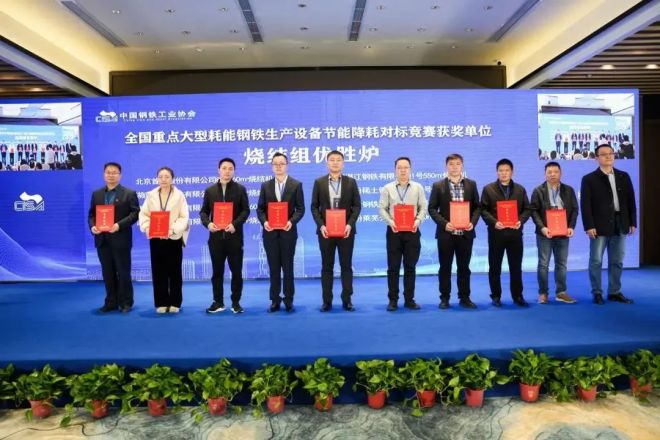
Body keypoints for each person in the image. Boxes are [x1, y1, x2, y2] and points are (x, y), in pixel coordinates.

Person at [580, 143, 637, 305]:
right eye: (604, 154)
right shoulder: (589, 179)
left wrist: (632, 221)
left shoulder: (623, 176)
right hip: (599, 225)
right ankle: (597, 292)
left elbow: (631, 201)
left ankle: (614, 291)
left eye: (611, 153)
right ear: (596, 158)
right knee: (596, 261)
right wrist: (589, 226)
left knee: (617, 260)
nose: (608, 156)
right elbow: (585, 205)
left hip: (621, 223)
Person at [311, 150, 362, 312]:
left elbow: (357, 206)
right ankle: (327, 301)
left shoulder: (351, 182)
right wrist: (321, 225)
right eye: (332, 160)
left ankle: (347, 300)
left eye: (338, 160)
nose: (335, 162)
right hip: (326, 232)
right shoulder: (319, 182)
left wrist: (349, 225)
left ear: (343, 163)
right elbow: (314, 207)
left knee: (346, 266)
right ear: (327, 163)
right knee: (327, 266)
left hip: (346, 231)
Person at [428, 153, 480, 309]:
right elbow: (432, 208)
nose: (454, 167)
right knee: (445, 267)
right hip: (446, 234)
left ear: (462, 165)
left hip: (465, 234)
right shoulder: (438, 185)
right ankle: (444, 298)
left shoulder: (471, 184)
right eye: (451, 164)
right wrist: (444, 224)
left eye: (457, 164)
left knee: (464, 267)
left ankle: (464, 297)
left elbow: (477, 207)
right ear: (446, 166)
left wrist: (472, 223)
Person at [88, 162, 140, 313]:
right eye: (108, 172)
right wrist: (93, 226)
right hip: (102, 240)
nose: (111, 175)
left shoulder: (129, 193)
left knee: (123, 272)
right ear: (104, 174)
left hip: (121, 239)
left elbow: (135, 214)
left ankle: (126, 302)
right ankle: (111, 301)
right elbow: (91, 215)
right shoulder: (97, 194)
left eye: (114, 172)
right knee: (108, 272)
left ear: (120, 175)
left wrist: (118, 225)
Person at [256, 153, 305, 313]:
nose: (278, 166)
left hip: (288, 233)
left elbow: (300, 209)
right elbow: (260, 209)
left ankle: (289, 299)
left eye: (281, 163)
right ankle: (275, 300)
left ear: (287, 165)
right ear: (272, 166)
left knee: (288, 267)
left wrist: (291, 221)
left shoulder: (296, 184)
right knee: (274, 267)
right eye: (275, 164)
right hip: (270, 233)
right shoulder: (266, 185)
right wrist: (265, 222)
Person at [200, 158, 250, 314]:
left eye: (230, 168)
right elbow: (203, 212)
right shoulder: (210, 191)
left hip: (234, 238)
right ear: (218, 170)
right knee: (217, 272)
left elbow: (246, 211)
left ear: (234, 171)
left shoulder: (240, 189)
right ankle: (218, 302)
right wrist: (208, 224)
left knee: (236, 272)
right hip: (215, 239)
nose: (227, 171)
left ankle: (236, 302)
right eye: (224, 168)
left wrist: (235, 224)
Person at [480, 158, 532, 307]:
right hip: (496, 234)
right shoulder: (488, 189)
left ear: (512, 172)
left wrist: (520, 221)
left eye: (507, 170)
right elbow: (483, 209)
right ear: (497, 172)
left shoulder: (520, 189)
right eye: (501, 170)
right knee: (494, 266)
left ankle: (518, 296)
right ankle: (496, 296)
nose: (504, 173)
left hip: (515, 234)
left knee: (516, 267)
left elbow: (527, 209)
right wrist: (494, 222)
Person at [139, 166, 190, 314]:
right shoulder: (151, 195)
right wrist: (148, 229)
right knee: (158, 271)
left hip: (173, 238)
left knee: (175, 272)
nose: (164, 179)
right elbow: (144, 215)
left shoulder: (179, 195)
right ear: (157, 179)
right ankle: (161, 302)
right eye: (160, 177)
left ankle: (175, 302)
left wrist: (171, 230)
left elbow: (184, 217)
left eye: (167, 177)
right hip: (156, 238)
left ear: (172, 179)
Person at [379, 156, 427, 311]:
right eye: (399, 167)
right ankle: (393, 300)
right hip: (394, 231)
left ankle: (409, 299)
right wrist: (390, 222)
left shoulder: (418, 187)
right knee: (393, 268)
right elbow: (382, 209)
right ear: (395, 170)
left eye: (406, 167)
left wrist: (418, 221)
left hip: (412, 231)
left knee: (410, 267)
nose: (403, 170)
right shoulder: (387, 188)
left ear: (410, 169)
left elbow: (423, 207)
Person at [530, 161, 579, 305]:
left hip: (563, 232)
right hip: (545, 233)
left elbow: (575, 210)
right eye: (549, 172)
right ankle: (543, 293)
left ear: (561, 173)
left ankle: (561, 292)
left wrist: (571, 227)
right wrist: (542, 228)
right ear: (545, 174)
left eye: (555, 172)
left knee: (561, 264)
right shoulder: (538, 191)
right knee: (543, 264)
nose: (552, 174)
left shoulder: (568, 190)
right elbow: (534, 211)